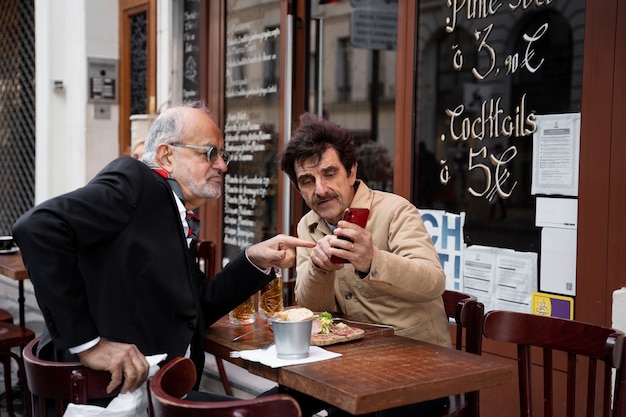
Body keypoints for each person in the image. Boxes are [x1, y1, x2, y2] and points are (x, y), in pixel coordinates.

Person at [12, 101, 315, 405]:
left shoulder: (170, 209)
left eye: (223, 155)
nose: (223, 165)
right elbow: (38, 227)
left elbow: (198, 307)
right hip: (109, 400)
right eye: (210, 153)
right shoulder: (134, 180)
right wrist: (88, 345)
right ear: (166, 156)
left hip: (158, 393)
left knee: (292, 402)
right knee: (288, 406)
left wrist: (253, 260)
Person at [279, 112, 452, 416]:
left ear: (351, 171)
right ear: (298, 188)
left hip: (421, 369)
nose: (319, 189)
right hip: (346, 368)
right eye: (308, 181)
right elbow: (312, 309)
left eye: (329, 173)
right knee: (271, 407)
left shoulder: (395, 211)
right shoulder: (307, 225)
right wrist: (319, 269)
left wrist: (372, 260)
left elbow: (433, 282)